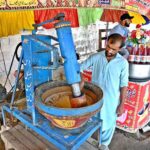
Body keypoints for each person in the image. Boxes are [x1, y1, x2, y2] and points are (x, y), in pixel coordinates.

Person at [80, 33, 129, 150]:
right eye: (108, 47)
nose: (110, 51)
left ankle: (104, 144)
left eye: (114, 49)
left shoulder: (122, 63)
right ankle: (88, 139)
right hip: (95, 97)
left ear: (119, 49)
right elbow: (80, 67)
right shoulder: (96, 57)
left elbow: (123, 85)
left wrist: (122, 104)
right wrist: (81, 78)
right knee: (91, 118)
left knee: (109, 122)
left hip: (111, 99)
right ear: (106, 43)